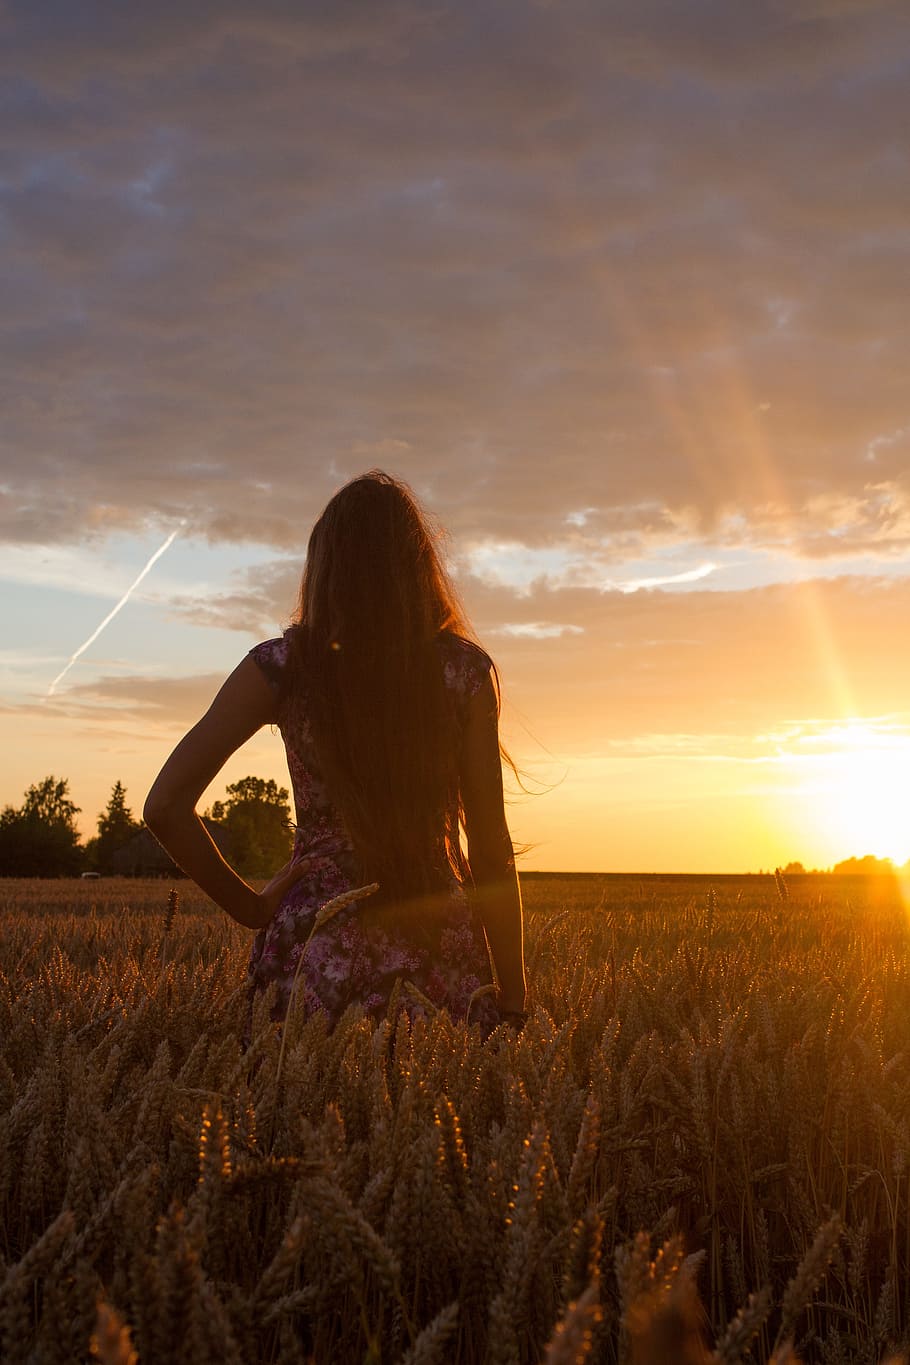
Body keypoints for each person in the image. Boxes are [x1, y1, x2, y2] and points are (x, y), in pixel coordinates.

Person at [144, 470, 526, 1039]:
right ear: (418, 570)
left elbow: (166, 806)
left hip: (313, 954)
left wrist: (251, 908)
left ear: (324, 570)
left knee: (295, 1120)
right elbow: (492, 849)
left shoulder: (281, 667)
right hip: (438, 949)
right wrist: (513, 1002)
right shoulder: (464, 673)